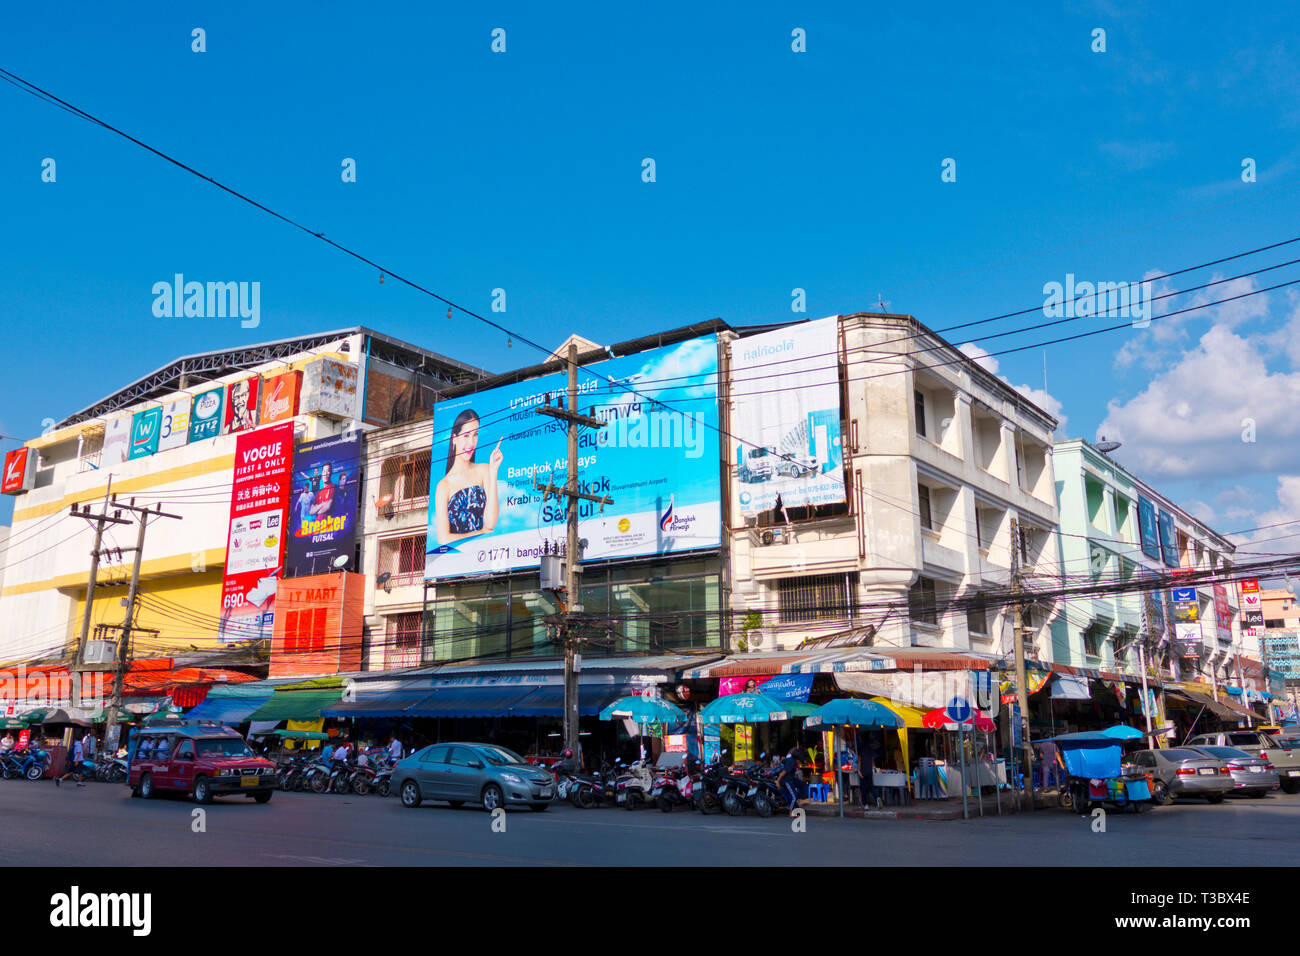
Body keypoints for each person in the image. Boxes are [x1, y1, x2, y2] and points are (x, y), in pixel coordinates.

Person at [433, 409, 503, 545]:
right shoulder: (444, 485)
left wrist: (493, 471)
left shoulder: (484, 470)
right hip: (457, 559)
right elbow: (443, 539)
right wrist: (479, 532)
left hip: (483, 553)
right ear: (454, 438)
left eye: (475, 435)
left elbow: (490, 524)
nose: (471, 443)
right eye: (466, 435)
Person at [776, 745, 800, 816]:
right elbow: (783, 772)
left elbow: (782, 760)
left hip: (789, 781)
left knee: (793, 795)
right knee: (794, 796)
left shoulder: (790, 760)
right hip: (787, 781)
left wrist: (777, 763)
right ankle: (790, 812)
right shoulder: (791, 762)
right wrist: (778, 781)